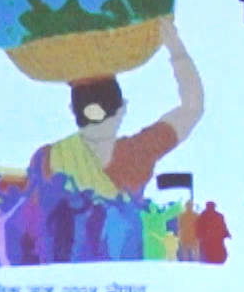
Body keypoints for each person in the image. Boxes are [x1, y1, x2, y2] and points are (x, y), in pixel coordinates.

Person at [32, 19, 203, 200]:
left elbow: (30, 208)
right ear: (122, 109)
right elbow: (193, 107)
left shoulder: (48, 158)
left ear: (72, 109)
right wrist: (176, 50)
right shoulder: (137, 154)